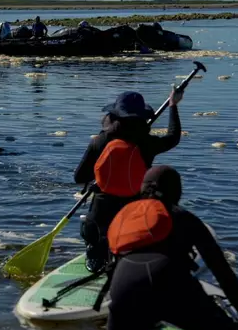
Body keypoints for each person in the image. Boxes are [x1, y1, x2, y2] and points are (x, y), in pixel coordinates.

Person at [102, 165, 238, 330]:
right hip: (171, 284)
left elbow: (111, 269)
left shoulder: (124, 216)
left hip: (124, 287)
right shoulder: (183, 217)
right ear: (176, 191)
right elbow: (222, 271)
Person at [74, 88, 183, 273]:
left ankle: (94, 253)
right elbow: (173, 137)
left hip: (102, 208)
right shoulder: (148, 143)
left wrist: (99, 176)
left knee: (94, 231)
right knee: (131, 240)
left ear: (114, 116)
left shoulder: (99, 141)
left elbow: (79, 177)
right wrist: (173, 105)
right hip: (133, 206)